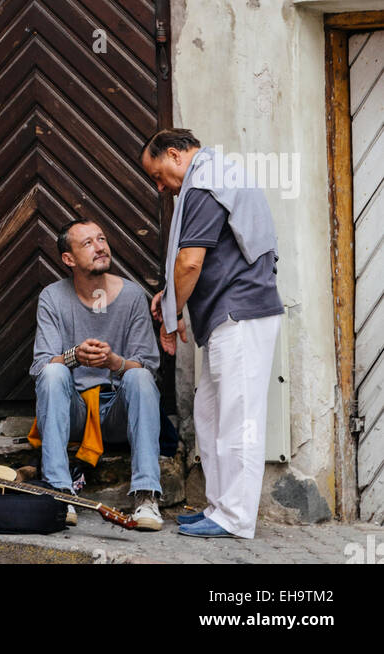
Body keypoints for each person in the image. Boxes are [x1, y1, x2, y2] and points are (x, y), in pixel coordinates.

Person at [140, 128, 284, 540]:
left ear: (174, 154)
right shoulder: (218, 174)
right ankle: (221, 507)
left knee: (239, 420)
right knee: (209, 412)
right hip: (232, 316)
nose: (162, 187)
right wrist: (172, 298)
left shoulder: (203, 182)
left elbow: (189, 262)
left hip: (240, 315)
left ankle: (236, 517)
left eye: (158, 175)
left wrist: (172, 312)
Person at [30, 219, 164, 530]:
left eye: (102, 238)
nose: (100, 247)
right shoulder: (53, 297)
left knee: (139, 377)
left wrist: (115, 362)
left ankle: (146, 496)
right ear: (69, 259)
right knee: (53, 373)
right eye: (88, 243)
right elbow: (39, 367)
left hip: (117, 411)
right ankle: (60, 492)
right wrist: (74, 356)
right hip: (75, 411)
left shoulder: (131, 296)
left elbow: (150, 367)